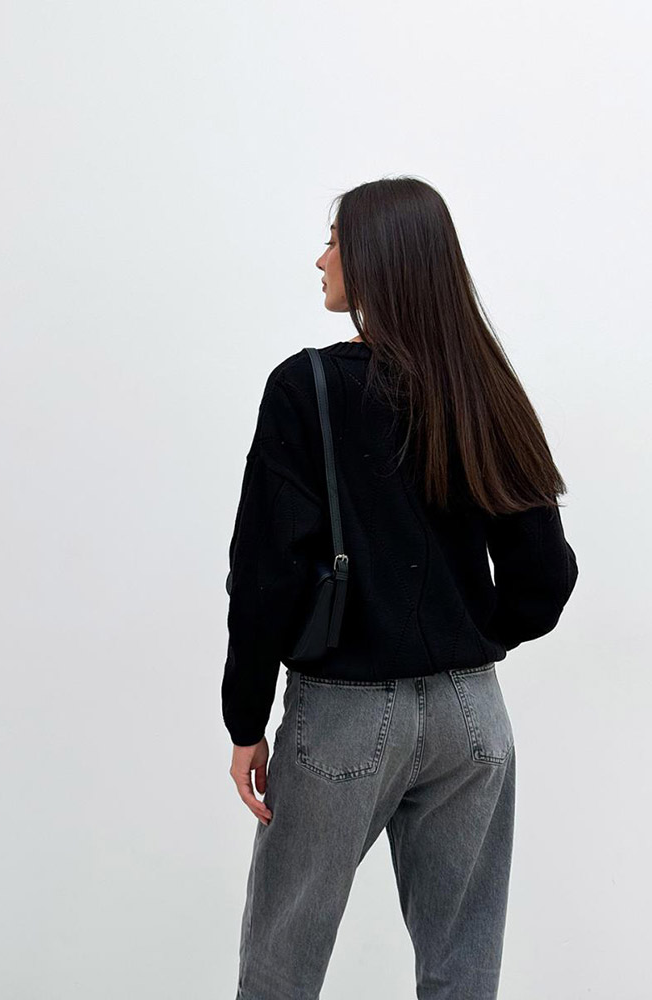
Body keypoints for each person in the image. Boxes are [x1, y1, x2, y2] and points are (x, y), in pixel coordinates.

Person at [221, 176, 579, 1000]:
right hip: (473, 718)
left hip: (343, 716)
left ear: (375, 258)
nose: (321, 260)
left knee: (280, 970)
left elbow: (266, 576)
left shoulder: (305, 387)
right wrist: (465, 634)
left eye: (334, 242)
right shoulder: (482, 385)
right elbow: (545, 575)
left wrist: (244, 719)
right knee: (462, 972)